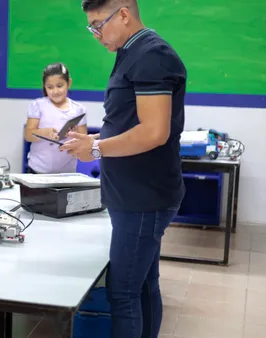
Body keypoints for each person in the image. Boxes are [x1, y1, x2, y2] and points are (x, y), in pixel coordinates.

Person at [61, 1, 187, 337]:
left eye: (98, 24)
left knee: (124, 292)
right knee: (143, 285)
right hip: (133, 193)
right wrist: (95, 139)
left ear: (124, 14)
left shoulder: (152, 56)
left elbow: (154, 132)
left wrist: (97, 147)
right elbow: (131, 122)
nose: (95, 34)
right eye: (91, 27)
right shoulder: (130, 51)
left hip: (143, 196)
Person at [23, 62, 88, 174]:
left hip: (67, 173)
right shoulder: (38, 105)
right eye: (50, 87)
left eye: (60, 86)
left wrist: (74, 137)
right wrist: (44, 132)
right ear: (44, 87)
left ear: (69, 83)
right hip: (38, 171)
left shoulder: (78, 109)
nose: (55, 91)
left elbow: (84, 140)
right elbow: (28, 135)